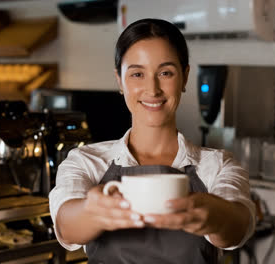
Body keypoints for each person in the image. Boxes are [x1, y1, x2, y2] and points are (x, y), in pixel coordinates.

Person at [49, 18, 255, 264]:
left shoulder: (217, 166)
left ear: (185, 77)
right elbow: (66, 227)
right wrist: (93, 211)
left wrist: (212, 215)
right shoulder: (86, 162)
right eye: (137, 74)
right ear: (119, 80)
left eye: (165, 73)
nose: (153, 88)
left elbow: (238, 226)